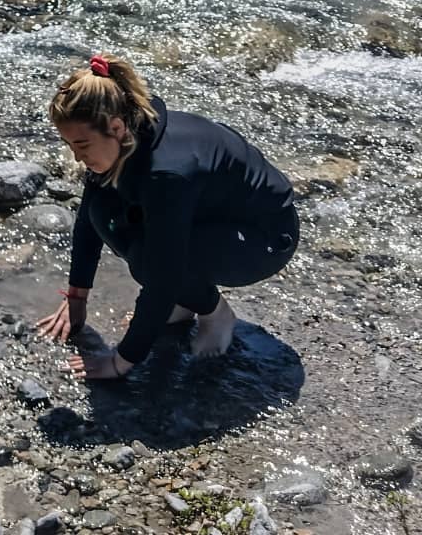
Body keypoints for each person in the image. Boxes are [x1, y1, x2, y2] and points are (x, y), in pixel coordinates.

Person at [37, 54, 299, 380]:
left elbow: (163, 271)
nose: (76, 156)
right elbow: (89, 221)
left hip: (264, 239)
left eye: (82, 145)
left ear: (116, 127)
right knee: (103, 212)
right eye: (69, 145)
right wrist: (77, 297)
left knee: (150, 260)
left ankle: (216, 315)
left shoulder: (168, 173)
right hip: (214, 217)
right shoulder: (128, 135)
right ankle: (183, 304)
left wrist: (121, 360)